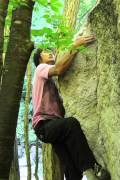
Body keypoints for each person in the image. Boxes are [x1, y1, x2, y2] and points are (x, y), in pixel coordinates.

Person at [32, 36, 111, 180]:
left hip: (54, 127)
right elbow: (59, 68)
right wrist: (75, 46)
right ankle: (92, 168)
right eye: (45, 51)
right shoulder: (40, 69)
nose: (50, 53)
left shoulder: (51, 81)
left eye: (51, 51)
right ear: (39, 59)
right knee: (71, 124)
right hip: (44, 125)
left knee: (72, 170)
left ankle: (80, 173)